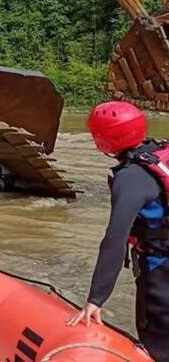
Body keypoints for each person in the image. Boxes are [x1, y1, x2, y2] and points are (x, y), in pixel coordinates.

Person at [67, 101, 168, 361]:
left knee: (159, 345)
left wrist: (96, 299)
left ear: (103, 141)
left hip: (160, 270)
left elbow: (114, 240)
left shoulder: (131, 176)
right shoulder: (162, 152)